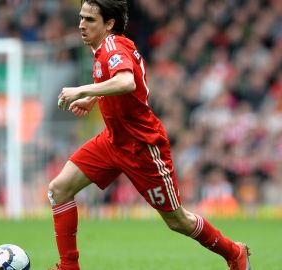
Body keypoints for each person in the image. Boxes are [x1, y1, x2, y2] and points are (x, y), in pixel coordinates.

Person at [47, 1, 252, 270]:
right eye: (81, 18)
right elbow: (130, 85)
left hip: (142, 147)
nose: (81, 25)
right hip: (112, 140)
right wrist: (95, 97)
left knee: (178, 220)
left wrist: (81, 91)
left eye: (89, 20)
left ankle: (234, 252)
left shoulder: (112, 48)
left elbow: (126, 82)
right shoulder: (110, 47)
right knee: (59, 189)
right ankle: (68, 267)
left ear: (109, 24)